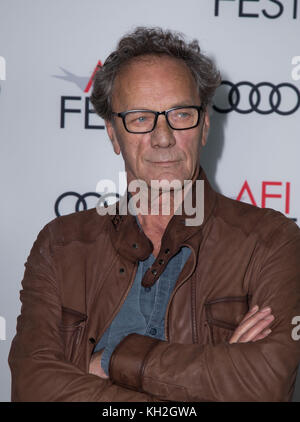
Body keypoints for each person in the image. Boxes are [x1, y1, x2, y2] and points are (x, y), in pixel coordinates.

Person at [8, 27, 300, 402]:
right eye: (140, 118)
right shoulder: (61, 245)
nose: (163, 137)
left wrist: (111, 361)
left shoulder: (271, 242)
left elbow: (267, 382)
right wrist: (211, 379)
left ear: (205, 125)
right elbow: (32, 389)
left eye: (180, 114)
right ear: (113, 134)